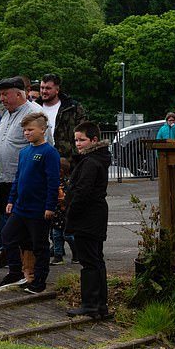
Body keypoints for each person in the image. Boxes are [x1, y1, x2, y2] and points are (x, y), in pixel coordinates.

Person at [0, 112, 60, 293]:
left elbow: (53, 181)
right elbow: (18, 178)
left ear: (42, 130)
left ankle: (39, 280)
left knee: (39, 246)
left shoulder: (49, 153)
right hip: (20, 208)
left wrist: (50, 206)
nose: (26, 133)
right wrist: (11, 200)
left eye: (30, 130)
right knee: (7, 236)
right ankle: (16, 272)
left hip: (38, 209)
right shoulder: (24, 152)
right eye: (24, 130)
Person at [0, 76, 48, 268]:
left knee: (24, 230)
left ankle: (29, 270)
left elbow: (44, 148)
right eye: (0, 95)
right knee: (7, 227)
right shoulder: (6, 114)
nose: (2, 99)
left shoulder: (34, 113)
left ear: (18, 93)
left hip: (25, 182)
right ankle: (14, 264)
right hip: (5, 180)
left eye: (5, 94)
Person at [66, 121, 112, 317]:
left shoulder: (91, 162)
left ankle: (91, 304)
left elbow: (82, 192)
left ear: (93, 140)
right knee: (96, 260)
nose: (78, 144)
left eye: (82, 140)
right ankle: (99, 305)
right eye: (76, 140)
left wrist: (70, 213)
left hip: (88, 216)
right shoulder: (96, 159)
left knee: (89, 261)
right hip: (95, 214)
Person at [39, 73, 87, 162]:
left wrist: (74, 155)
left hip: (67, 161)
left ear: (57, 90)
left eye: (48, 88)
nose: (44, 91)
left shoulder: (73, 108)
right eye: (42, 88)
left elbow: (83, 132)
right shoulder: (34, 108)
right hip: (40, 158)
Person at [50, 158, 76, 265]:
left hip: (65, 215)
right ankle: (58, 256)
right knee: (56, 236)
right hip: (56, 215)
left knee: (68, 236)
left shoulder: (66, 183)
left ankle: (77, 254)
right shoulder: (53, 182)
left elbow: (68, 198)